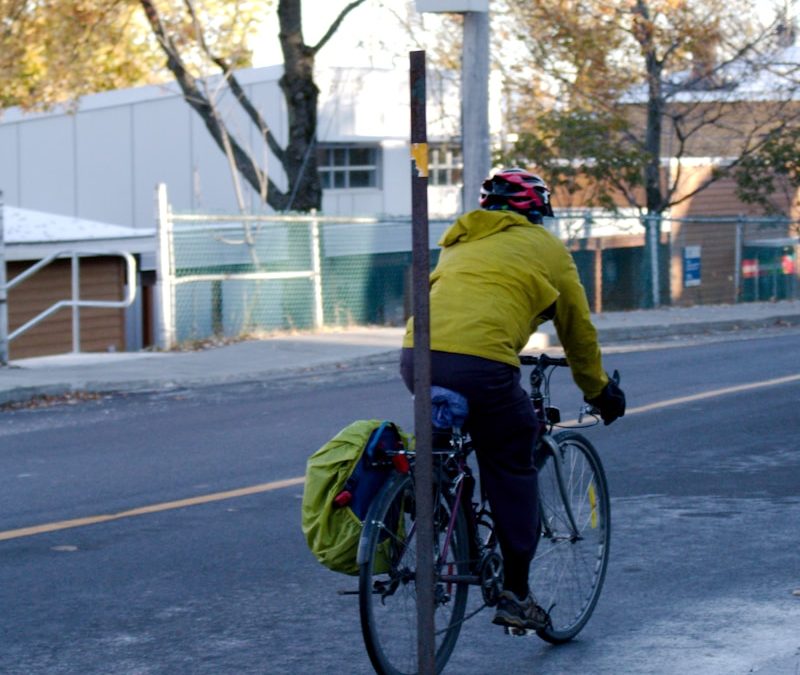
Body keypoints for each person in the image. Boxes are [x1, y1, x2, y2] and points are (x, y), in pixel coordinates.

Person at [400, 167, 626, 630]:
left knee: (445, 448)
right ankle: (516, 594)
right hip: (483, 364)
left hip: (416, 357)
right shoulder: (546, 248)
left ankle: (446, 514)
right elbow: (577, 330)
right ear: (537, 213)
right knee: (511, 455)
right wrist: (599, 391)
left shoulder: (459, 241)